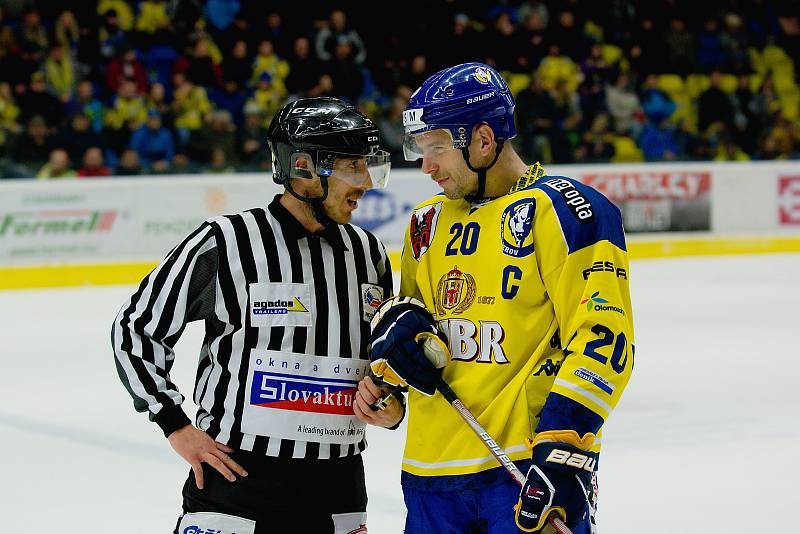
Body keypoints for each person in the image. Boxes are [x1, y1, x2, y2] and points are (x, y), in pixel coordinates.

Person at [355, 63, 634, 533]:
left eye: (437, 148)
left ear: (483, 139)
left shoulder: (568, 212)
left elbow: (604, 342)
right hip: (430, 473)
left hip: (526, 472)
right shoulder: (425, 222)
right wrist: (387, 387)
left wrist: (563, 456)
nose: (425, 166)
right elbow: (414, 329)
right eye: (420, 150)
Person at [112, 97, 400, 534]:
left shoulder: (368, 253)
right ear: (303, 167)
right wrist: (175, 424)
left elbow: (381, 359)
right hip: (237, 482)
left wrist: (392, 403)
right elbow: (137, 330)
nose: (365, 184)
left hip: (338, 485)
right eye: (351, 168)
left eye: (366, 167)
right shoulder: (225, 243)